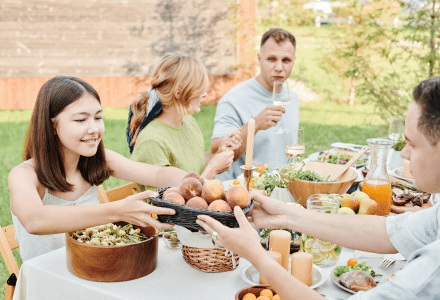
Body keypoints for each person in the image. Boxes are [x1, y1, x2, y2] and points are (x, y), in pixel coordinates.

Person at [197, 73, 440, 299]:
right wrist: (286, 215)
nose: (404, 154)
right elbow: (389, 232)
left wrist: (258, 256)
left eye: (410, 144)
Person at [8, 76, 187, 262]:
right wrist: (117, 210)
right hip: (47, 283)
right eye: (80, 120)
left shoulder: (101, 160)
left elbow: (157, 174)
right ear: (53, 126)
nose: (94, 128)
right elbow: (34, 220)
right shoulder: (24, 175)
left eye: (98, 117)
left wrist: (195, 181)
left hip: (93, 270)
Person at [127, 53, 241, 188]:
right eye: (199, 89)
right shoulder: (151, 141)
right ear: (179, 93)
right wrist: (213, 168)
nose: (205, 94)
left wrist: (220, 152)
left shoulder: (189, 123)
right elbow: (171, 203)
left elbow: (191, 165)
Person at [210, 28, 300, 180]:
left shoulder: (293, 97)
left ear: (293, 61)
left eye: (286, 60)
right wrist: (255, 124)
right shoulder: (234, 99)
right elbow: (217, 151)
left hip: (285, 189)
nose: (279, 67)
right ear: (259, 58)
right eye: (271, 59)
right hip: (247, 193)